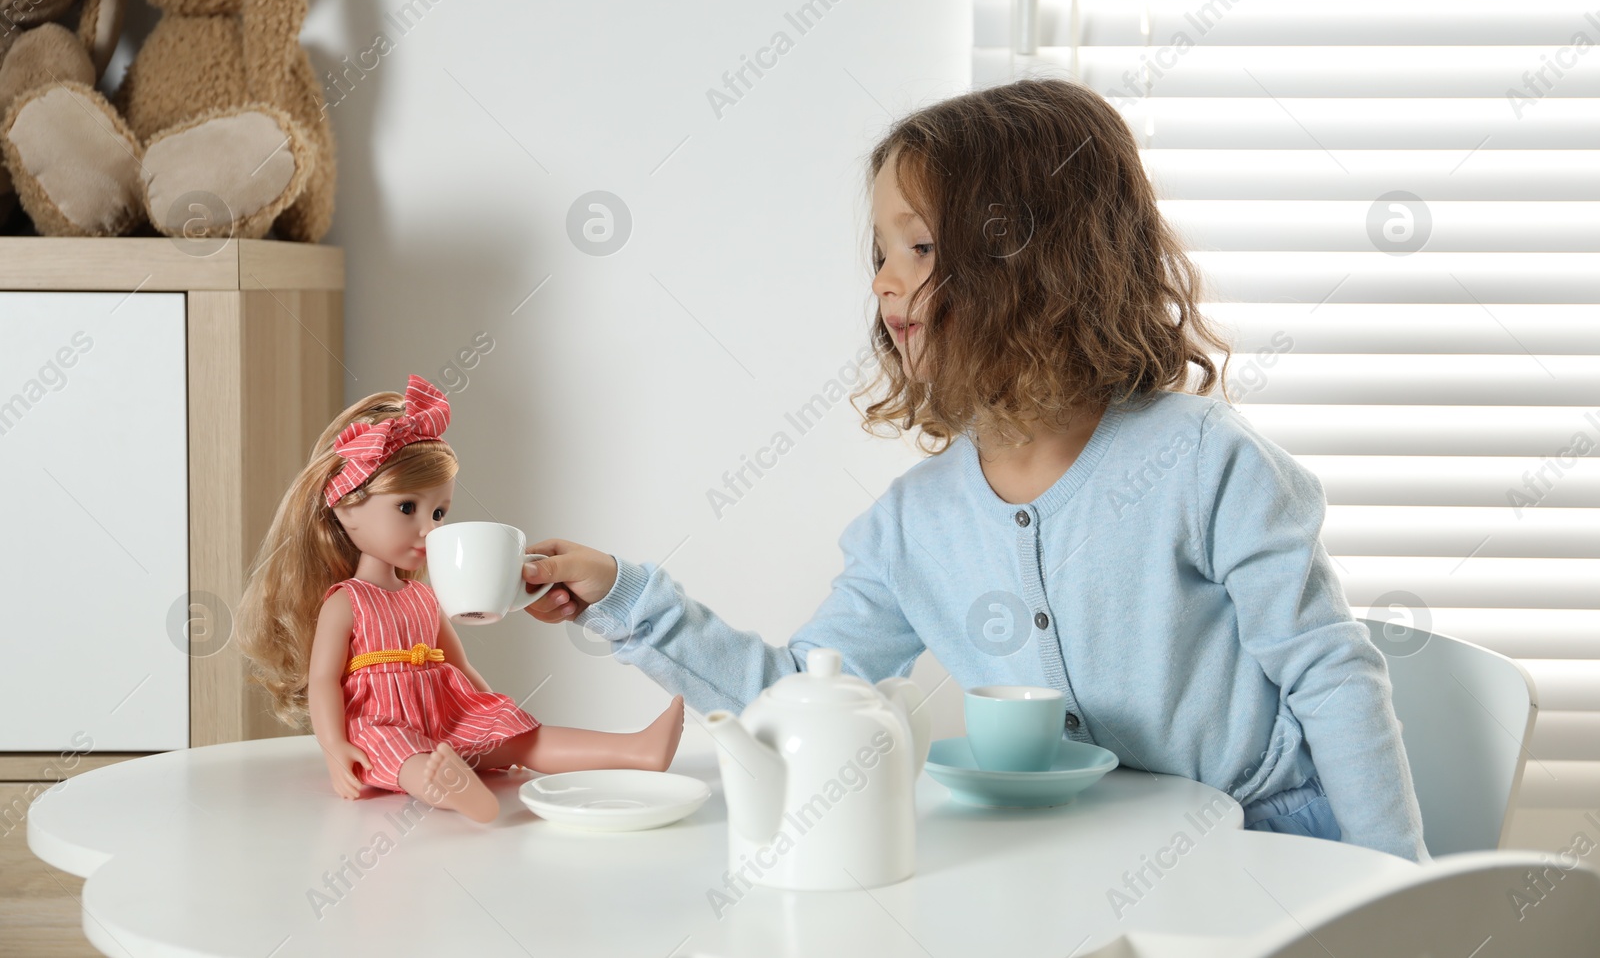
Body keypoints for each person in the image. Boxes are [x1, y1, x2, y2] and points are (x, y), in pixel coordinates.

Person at [519, 76, 1427, 862]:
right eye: (878, 253)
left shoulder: (1201, 462)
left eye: (917, 248)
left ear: (1034, 265)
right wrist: (626, 596)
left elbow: (1330, 672)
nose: (882, 282)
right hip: (1080, 857)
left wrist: (1399, 883)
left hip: (1270, 841)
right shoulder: (914, 525)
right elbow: (797, 694)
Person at [237, 374, 683, 823]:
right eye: (407, 508)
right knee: (397, 753)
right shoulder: (346, 601)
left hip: (446, 713)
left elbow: (459, 664)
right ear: (347, 506)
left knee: (524, 737)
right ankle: (452, 789)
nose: (429, 528)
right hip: (382, 719)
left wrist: (497, 713)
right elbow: (323, 681)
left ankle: (635, 750)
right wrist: (335, 747)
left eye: (438, 512)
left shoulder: (424, 597)